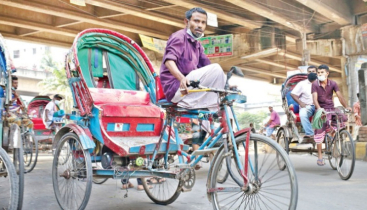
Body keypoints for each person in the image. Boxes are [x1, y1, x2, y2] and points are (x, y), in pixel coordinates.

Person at [160, 7, 227, 153]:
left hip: (189, 88)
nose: (200, 25)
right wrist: (181, 77)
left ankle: (210, 133)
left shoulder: (197, 45)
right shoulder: (179, 37)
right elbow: (169, 61)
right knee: (217, 68)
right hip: (176, 86)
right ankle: (206, 136)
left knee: (217, 75)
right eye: (196, 21)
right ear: (186, 21)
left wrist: (227, 84)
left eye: (203, 23)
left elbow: (207, 67)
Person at [312, 64, 351, 166]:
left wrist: (346, 106)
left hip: (331, 108)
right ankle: (320, 155)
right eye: (318, 73)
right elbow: (315, 99)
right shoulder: (315, 84)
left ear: (327, 73)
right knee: (319, 131)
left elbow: (339, 96)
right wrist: (320, 109)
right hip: (320, 110)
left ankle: (335, 140)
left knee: (341, 117)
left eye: (322, 72)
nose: (320, 74)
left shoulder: (333, 83)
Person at [290, 66, 318, 141]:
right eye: (309, 71)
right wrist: (301, 103)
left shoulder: (320, 83)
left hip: (318, 106)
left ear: (316, 73)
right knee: (303, 113)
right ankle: (310, 133)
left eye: (313, 71)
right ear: (307, 73)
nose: (311, 73)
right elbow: (293, 94)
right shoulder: (302, 84)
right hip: (307, 106)